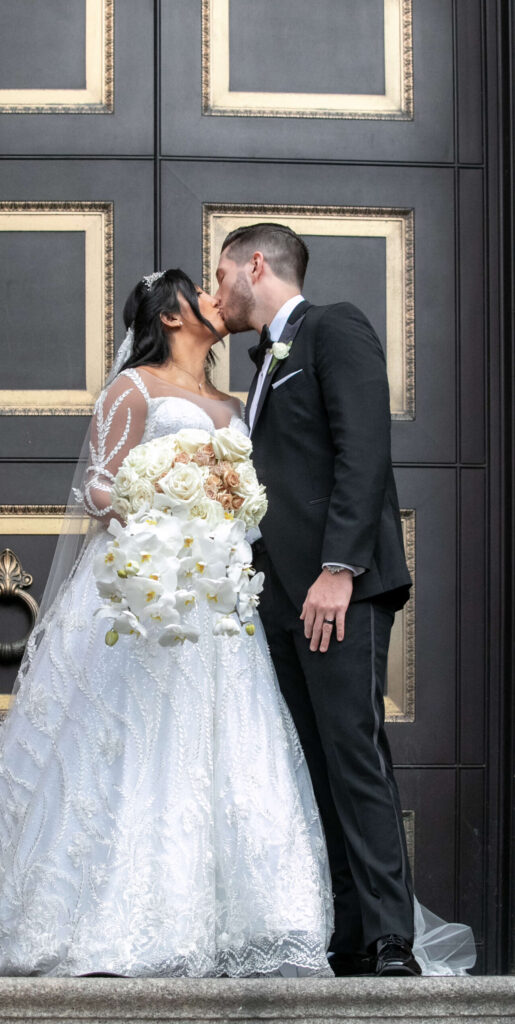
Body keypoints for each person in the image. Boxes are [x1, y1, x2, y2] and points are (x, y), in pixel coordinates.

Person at [0, 269, 335, 978]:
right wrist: (156, 517)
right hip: (142, 589)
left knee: (214, 744)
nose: (219, 303)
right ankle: (101, 921)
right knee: (126, 743)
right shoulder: (136, 388)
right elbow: (96, 481)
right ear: (174, 315)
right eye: (204, 294)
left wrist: (224, 517)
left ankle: (242, 924)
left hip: (214, 601)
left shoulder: (232, 400)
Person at [213, 222, 446, 977]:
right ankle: (347, 933)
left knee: (352, 754)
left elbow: (364, 447)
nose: (217, 296)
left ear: (256, 264)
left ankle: (389, 938)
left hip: (335, 589)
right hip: (280, 599)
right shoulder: (259, 367)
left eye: (221, 277)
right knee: (314, 764)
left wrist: (339, 569)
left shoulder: (332, 327)